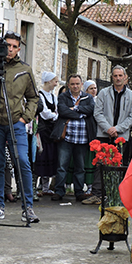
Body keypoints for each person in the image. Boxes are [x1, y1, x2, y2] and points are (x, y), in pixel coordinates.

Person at [0, 32, 39, 223]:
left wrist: (25, 118)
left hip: (16, 124)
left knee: (23, 162)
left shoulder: (25, 70)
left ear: (18, 49)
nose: (10, 49)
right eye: (7, 45)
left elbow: (33, 97)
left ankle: (28, 207)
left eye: (14, 46)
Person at [83, 65, 132, 205]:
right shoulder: (103, 93)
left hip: (121, 137)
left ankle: (116, 195)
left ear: (125, 77)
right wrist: (108, 128)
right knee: (100, 164)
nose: (118, 78)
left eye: (120, 75)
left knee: (119, 165)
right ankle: (97, 194)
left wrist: (118, 129)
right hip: (104, 134)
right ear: (112, 77)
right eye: (115, 76)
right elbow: (98, 113)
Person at [51, 74, 96, 202]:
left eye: (77, 84)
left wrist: (74, 109)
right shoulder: (63, 96)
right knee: (62, 166)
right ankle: (59, 191)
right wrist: (81, 114)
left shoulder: (88, 97)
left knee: (80, 167)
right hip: (66, 138)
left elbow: (90, 109)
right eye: (72, 84)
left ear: (81, 84)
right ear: (68, 85)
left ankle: (79, 191)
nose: (75, 86)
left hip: (82, 138)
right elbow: (62, 110)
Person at [35, 71, 59, 195]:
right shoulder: (40, 95)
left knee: (50, 157)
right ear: (49, 81)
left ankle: (45, 187)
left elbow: (57, 111)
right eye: (55, 81)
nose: (56, 84)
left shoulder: (53, 97)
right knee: (40, 156)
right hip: (43, 130)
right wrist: (54, 116)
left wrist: (54, 115)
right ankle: (36, 186)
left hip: (51, 131)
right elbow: (44, 113)